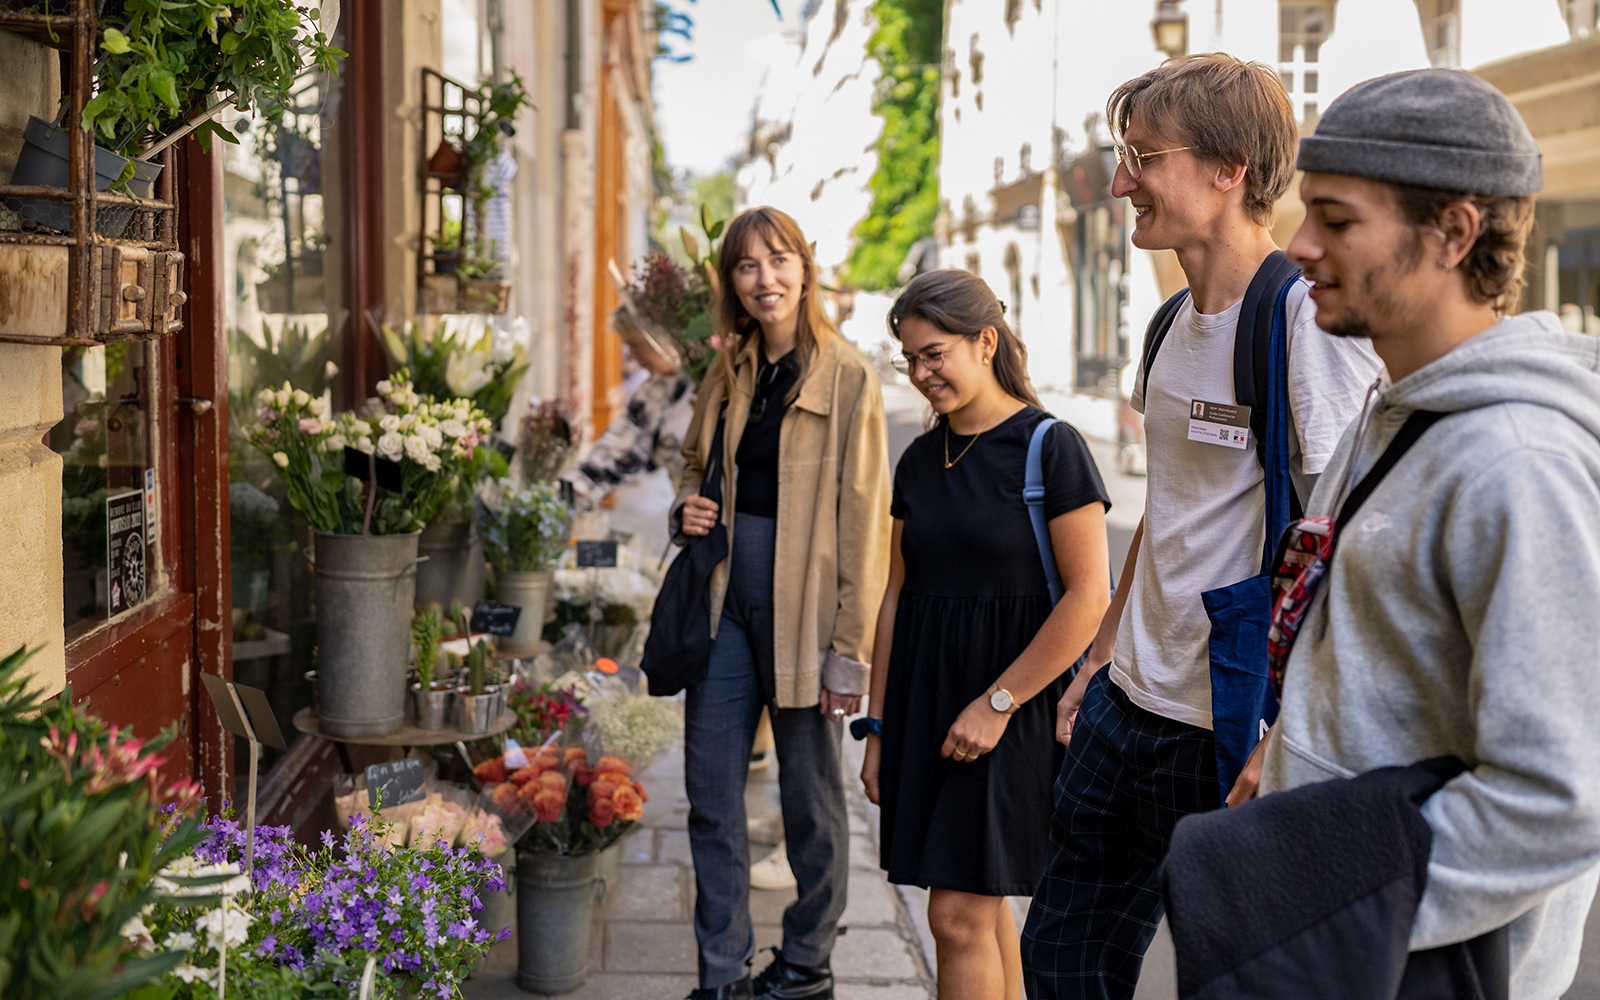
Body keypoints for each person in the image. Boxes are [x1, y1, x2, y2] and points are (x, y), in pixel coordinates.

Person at [1019, 54, 1382, 999]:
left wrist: (1283, 736)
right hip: (1124, 704)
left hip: (1222, 727)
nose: (1121, 180)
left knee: (1231, 977)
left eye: (1145, 156)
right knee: (1059, 959)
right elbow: (1168, 511)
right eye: (1123, 153)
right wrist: (1097, 660)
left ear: (1229, 170)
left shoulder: (1303, 326)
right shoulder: (1171, 323)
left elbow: (1343, 542)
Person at [1259, 69, 1600, 999]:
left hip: (1413, 964)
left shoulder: (1515, 460)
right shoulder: (1396, 407)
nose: (1298, 246)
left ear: (1452, 231)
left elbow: (1560, 796)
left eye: (1335, 219)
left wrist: (1321, 904)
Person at [859, 270, 1112, 1000]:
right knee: (979, 905)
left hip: (1011, 706)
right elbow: (896, 596)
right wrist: (878, 729)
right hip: (925, 704)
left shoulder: (1050, 448)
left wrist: (997, 705)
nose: (920, 373)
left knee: (957, 916)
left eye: (934, 354)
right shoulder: (917, 458)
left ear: (986, 341)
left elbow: (1090, 597)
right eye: (910, 359)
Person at [673, 206, 892, 1000]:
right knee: (709, 791)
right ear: (731, 283)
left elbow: (866, 520)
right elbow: (693, 461)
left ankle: (807, 959)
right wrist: (687, 509)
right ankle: (720, 971)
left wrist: (850, 650)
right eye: (746, 266)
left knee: (809, 797)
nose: (765, 279)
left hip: (805, 605)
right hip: (726, 597)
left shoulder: (849, 375)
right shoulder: (729, 368)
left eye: (778, 260)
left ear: (805, 268)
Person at [565, 305, 696, 511]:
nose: (632, 356)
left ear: (663, 336)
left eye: (637, 345)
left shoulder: (713, 379)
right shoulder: (653, 394)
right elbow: (613, 452)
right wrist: (560, 500)